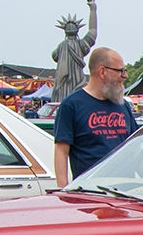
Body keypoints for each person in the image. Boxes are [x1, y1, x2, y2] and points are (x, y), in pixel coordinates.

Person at [53, 46, 137, 187]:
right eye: (120, 71)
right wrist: (63, 190)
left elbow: (135, 147)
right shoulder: (71, 105)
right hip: (91, 193)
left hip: (126, 191)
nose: (125, 76)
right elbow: (61, 150)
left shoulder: (123, 105)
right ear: (102, 72)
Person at [51, 0, 98, 104]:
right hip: (78, 83)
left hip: (61, 87)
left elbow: (54, 56)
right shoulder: (81, 44)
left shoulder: (61, 46)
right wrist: (93, 10)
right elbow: (93, 31)